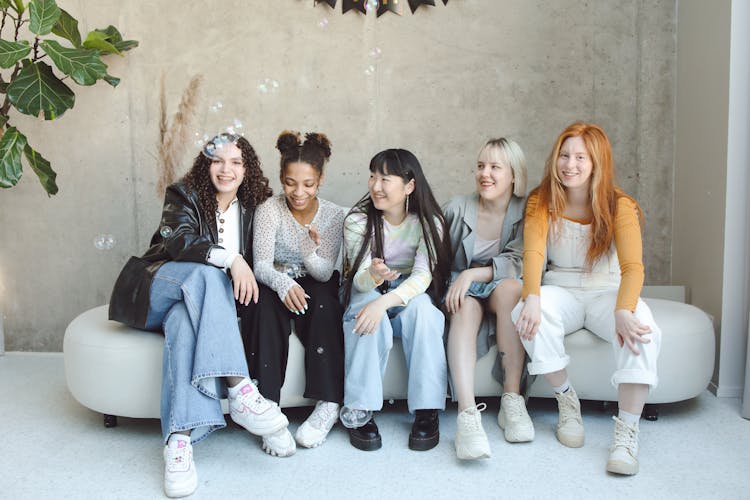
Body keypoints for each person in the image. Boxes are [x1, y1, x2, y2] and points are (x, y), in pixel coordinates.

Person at [108, 134, 288, 498]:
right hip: (159, 286)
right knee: (206, 274)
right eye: (218, 160)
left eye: (236, 162)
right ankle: (240, 389)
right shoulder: (183, 194)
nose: (227, 169)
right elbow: (179, 242)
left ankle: (179, 443)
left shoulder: (255, 207)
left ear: (247, 169)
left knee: (183, 325)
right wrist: (232, 259)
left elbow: (270, 256)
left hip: (196, 307)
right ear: (205, 165)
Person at [513, 122, 661, 475]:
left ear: (597, 163)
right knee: (525, 311)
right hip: (560, 287)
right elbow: (533, 254)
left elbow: (633, 267)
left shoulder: (620, 205)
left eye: (581, 157)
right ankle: (566, 399)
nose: (570, 165)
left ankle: (626, 431)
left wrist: (623, 310)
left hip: (604, 291)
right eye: (564, 155)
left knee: (642, 328)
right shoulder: (540, 200)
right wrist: (531, 296)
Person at [239, 131, 345, 454]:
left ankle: (328, 403)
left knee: (326, 302)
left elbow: (325, 272)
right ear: (281, 178)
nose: (298, 192)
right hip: (274, 278)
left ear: (321, 179)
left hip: (314, 278)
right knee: (263, 307)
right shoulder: (269, 209)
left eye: (308, 184)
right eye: (289, 182)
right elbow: (260, 265)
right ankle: (268, 408)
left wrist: (308, 251)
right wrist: (284, 283)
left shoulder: (333, 215)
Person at [340, 148, 452, 452]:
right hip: (369, 290)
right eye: (373, 176)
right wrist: (375, 277)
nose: (376, 185)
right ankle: (360, 410)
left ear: (409, 186)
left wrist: (385, 303)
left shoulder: (429, 222)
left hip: (408, 294)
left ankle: (427, 410)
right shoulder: (357, 220)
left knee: (426, 314)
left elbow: (422, 276)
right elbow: (360, 279)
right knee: (366, 312)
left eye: (385, 178)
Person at [443, 137, 533, 460]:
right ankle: (467, 415)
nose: (486, 174)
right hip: (461, 289)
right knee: (464, 307)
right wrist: (462, 279)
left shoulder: (527, 211)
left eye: (496, 167)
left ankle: (512, 400)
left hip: (498, 287)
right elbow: (436, 259)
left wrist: (474, 273)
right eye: (481, 166)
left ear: (513, 175)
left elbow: (521, 260)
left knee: (511, 289)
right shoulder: (457, 207)